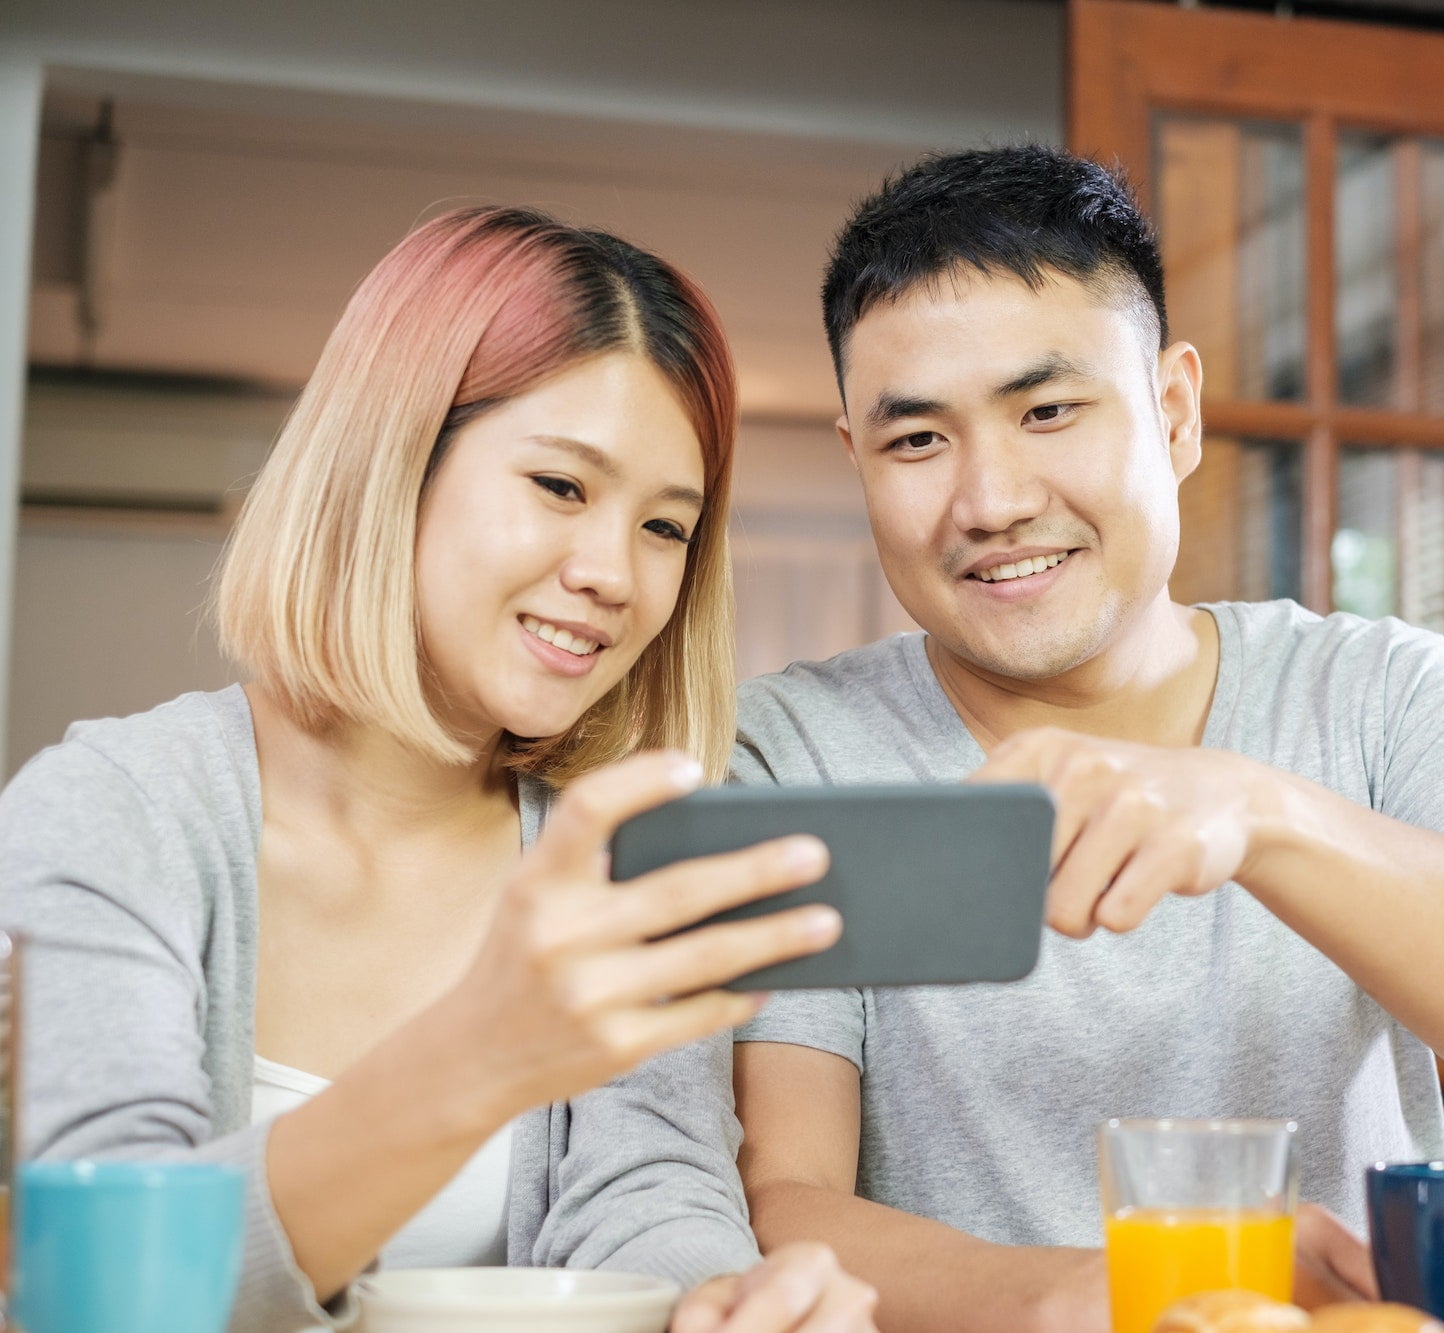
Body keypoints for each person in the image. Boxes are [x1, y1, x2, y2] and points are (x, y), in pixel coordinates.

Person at [710, 146, 1444, 1333]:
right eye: (917, 441)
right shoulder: (793, 747)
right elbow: (783, 1202)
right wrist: (1098, 1298)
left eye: (1048, 410)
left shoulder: (1375, 691)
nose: (990, 499)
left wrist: (1262, 813)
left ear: (1172, 411)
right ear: (857, 456)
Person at [0, 207, 877, 1333]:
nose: (613, 573)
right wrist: (483, 1050)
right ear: (392, 463)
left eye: (665, 527)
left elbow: (646, 1187)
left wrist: (723, 1295)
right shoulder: (113, 815)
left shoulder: (614, 858)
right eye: (561, 487)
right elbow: (100, 1290)